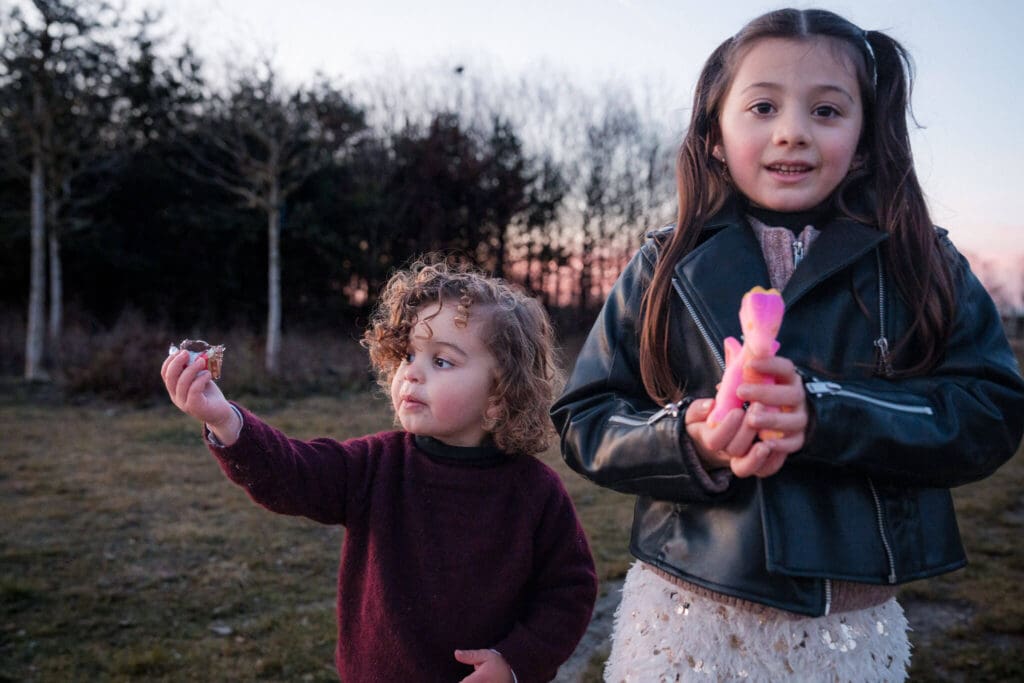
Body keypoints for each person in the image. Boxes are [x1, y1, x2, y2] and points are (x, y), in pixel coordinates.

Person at [550, 7, 1024, 682]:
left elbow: (991, 410)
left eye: (827, 111)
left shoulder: (924, 262)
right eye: (764, 106)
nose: (793, 132)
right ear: (716, 133)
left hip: (846, 625)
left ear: (863, 141)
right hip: (685, 610)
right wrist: (693, 436)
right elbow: (585, 418)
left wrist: (825, 410)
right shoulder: (661, 264)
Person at [162, 257, 598, 683]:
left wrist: (516, 662)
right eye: (408, 355)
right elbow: (292, 473)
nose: (412, 374)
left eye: (441, 361)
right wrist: (225, 420)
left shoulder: (536, 494)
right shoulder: (375, 466)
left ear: (499, 397)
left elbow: (570, 591)